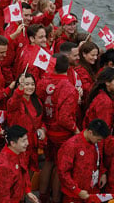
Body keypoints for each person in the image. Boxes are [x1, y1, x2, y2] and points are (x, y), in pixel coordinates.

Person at [37, 54, 79, 203]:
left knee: (48, 162)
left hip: (46, 129)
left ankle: (42, 195)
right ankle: (55, 199)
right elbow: (65, 118)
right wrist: (76, 130)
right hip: (62, 134)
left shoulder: (43, 82)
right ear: (68, 68)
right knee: (60, 167)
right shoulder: (69, 88)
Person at [57, 119, 110, 203]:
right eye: (98, 139)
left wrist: (103, 173)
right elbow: (63, 172)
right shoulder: (71, 145)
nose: (100, 142)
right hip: (74, 195)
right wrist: (77, 190)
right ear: (90, 132)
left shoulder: (97, 142)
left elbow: (100, 159)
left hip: (92, 192)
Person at [0, 125, 39, 202]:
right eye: (23, 141)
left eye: (27, 139)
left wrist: (28, 191)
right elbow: (2, 195)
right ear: (13, 143)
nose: (27, 143)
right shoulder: (3, 165)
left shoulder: (19, 152)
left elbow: (24, 172)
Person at [6, 72, 45, 171]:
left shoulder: (37, 101)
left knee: (31, 171)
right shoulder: (15, 102)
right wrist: (20, 89)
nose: (30, 87)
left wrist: (43, 130)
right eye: (26, 84)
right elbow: (13, 102)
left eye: (32, 84)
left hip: (32, 145)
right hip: (19, 145)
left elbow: (41, 121)